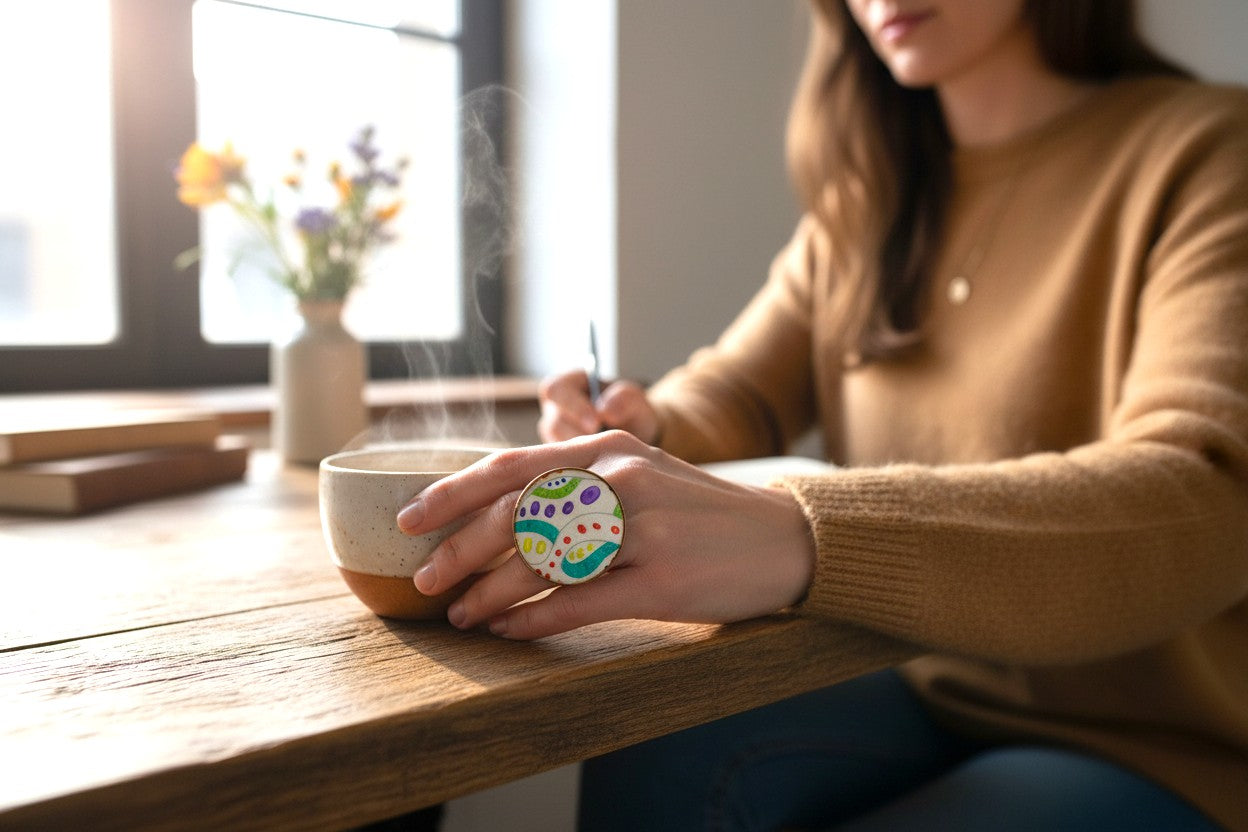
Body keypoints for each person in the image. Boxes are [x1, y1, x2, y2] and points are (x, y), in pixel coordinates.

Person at [397, 0, 1248, 827]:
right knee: (663, 736)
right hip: (917, 680)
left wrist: (805, 535)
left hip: (1153, 744)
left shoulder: (1209, 151)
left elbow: (1211, 491)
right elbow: (739, 390)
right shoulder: (864, 205)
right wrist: (643, 427)